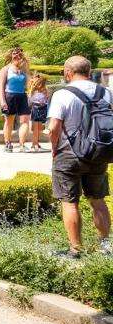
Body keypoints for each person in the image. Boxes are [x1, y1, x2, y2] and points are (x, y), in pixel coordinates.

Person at [47, 56, 112, 258]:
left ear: (68, 72)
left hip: (69, 154)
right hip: (99, 153)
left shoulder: (62, 94)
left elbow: (54, 128)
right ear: (89, 71)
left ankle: (76, 250)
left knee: (69, 202)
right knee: (98, 201)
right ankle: (105, 246)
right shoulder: (106, 92)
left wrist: (54, 150)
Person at [0, 47, 32, 153]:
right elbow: (1, 86)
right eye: (15, 54)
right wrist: (2, 101)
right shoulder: (6, 69)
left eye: (20, 54)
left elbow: (29, 83)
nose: (17, 56)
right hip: (10, 96)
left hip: (22, 96)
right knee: (9, 121)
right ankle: (8, 143)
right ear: (11, 55)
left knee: (25, 121)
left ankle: (22, 144)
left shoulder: (24, 70)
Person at [29, 74, 51, 152]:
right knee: (36, 128)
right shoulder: (33, 91)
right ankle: (34, 144)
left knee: (39, 128)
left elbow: (47, 99)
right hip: (36, 109)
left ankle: (36, 143)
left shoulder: (45, 90)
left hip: (42, 109)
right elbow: (30, 101)